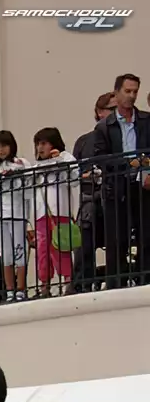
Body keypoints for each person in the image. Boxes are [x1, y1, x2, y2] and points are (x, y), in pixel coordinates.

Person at [92, 72, 150, 288]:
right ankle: (117, 284)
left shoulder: (146, 120)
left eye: (135, 92)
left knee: (146, 236)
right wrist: (128, 163)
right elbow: (101, 158)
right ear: (116, 93)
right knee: (117, 240)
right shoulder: (104, 127)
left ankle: (145, 280)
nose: (132, 96)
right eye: (127, 91)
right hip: (116, 188)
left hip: (143, 185)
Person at [72, 92, 115, 290]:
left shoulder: (123, 137)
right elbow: (75, 174)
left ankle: (117, 279)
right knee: (83, 238)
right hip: (91, 199)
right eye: (111, 109)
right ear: (99, 112)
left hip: (117, 199)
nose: (115, 113)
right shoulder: (84, 141)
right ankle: (82, 284)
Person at [30, 128, 79, 297]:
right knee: (42, 250)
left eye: (44, 143)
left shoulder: (65, 157)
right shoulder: (36, 166)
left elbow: (74, 179)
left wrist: (59, 160)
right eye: (38, 144)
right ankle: (44, 286)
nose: (40, 148)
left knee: (61, 247)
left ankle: (68, 282)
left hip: (61, 211)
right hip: (41, 214)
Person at [0, 130, 30, 296]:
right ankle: (10, 290)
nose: (1, 150)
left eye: (4, 146)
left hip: (16, 212)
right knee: (5, 253)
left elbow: (28, 185)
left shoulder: (20, 163)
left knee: (19, 249)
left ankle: (21, 289)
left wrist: (13, 176)